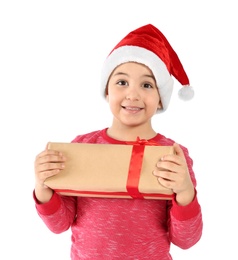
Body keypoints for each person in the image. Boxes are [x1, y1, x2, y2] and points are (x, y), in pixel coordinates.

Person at [34, 24, 203, 259]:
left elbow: (186, 240)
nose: (132, 95)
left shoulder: (173, 155)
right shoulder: (83, 147)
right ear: (106, 90)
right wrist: (43, 188)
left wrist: (185, 191)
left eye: (146, 85)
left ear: (161, 99)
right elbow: (59, 225)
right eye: (122, 82)